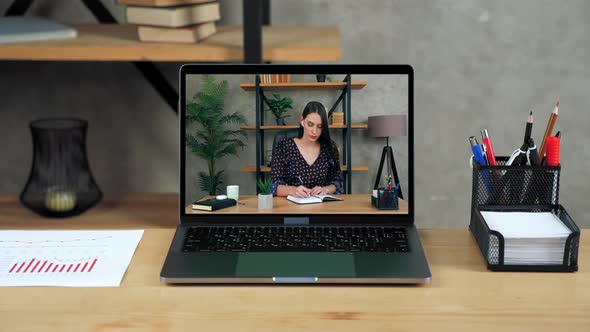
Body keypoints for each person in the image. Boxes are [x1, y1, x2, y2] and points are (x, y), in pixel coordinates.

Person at [271, 101, 344, 197]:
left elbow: (337, 182)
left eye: (320, 126)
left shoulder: (329, 147)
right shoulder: (284, 146)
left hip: (321, 207)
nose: (314, 131)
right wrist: (293, 190)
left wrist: (325, 189)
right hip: (290, 207)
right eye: (310, 124)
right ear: (302, 121)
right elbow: (274, 186)